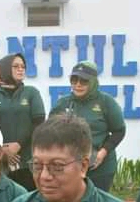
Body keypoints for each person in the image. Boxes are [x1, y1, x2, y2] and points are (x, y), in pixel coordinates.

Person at [49, 61, 126, 192]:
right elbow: (50, 132)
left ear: (93, 82)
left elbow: (119, 130)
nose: (78, 85)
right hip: (70, 165)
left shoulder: (106, 102)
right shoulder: (63, 103)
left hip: (99, 167)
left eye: (84, 81)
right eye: (74, 80)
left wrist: (103, 152)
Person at [0, 53, 45, 191]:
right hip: (2, 162)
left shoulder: (31, 93)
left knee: (29, 200)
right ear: (5, 69)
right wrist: (3, 149)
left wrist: (18, 144)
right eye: (16, 66)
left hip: (28, 161)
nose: (21, 69)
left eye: (23, 66)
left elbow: (39, 123)